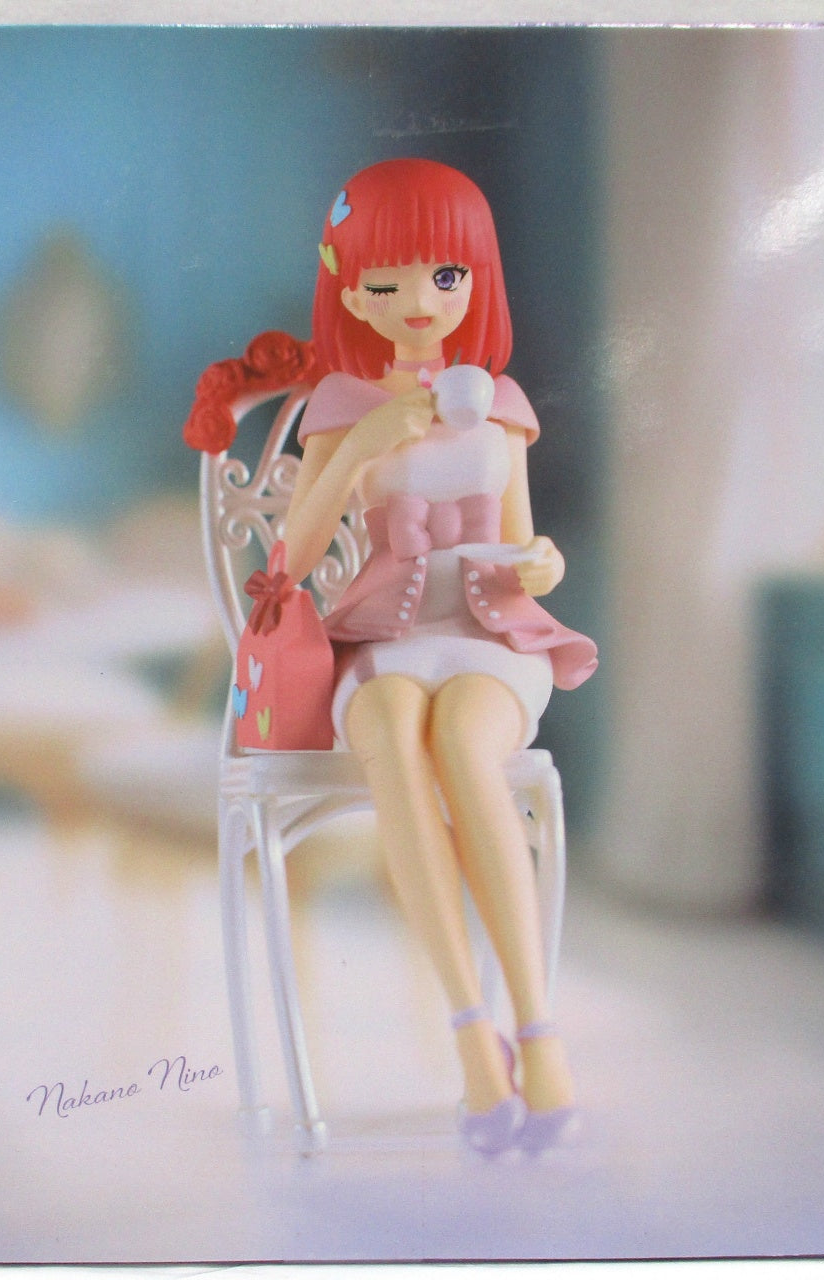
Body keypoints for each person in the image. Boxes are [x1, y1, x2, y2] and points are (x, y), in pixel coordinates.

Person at [190, 157, 597, 1154]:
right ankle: (471, 1036)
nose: (419, 300)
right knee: (389, 731)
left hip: (490, 634)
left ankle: (537, 1032)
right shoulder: (339, 403)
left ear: (475, 280)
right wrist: (365, 442)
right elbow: (288, 563)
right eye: (388, 281)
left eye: (444, 277)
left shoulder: (498, 402)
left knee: (462, 741)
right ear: (348, 290)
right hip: (381, 636)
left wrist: (542, 562)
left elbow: (523, 546)